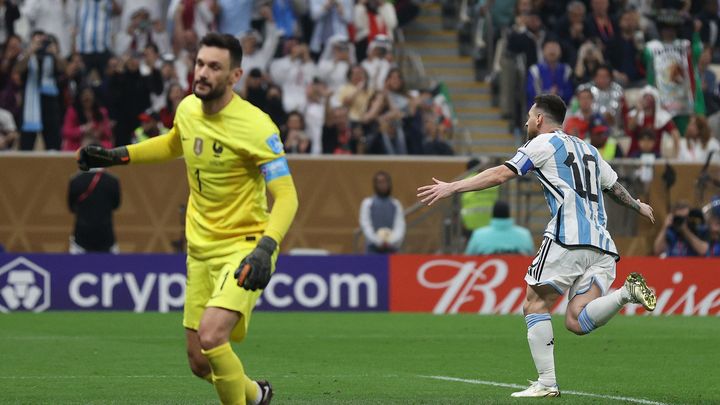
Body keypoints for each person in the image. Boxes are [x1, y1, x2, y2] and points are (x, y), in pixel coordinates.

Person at [76, 33, 299, 405]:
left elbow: (288, 196)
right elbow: (171, 143)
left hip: (244, 248)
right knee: (199, 361)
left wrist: (266, 247)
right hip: (199, 249)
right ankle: (257, 396)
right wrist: (117, 156)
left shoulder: (257, 127)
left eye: (214, 67)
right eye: (200, 63)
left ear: (235, 76)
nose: (203, 73)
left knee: (213, 336)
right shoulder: (187, 108)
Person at [418, 94, 657, 398]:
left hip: (567, 238)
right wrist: (638, 205)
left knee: (534, 302)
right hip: (602, 245)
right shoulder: (590, 150)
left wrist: (453, 186)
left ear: (540, 119)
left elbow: (502, 173)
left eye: (530, 116)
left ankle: (546, 382)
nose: (527, 121)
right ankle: (626, 293)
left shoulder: (541, 144)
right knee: (576, 320)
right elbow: (614, 187)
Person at [68, 167, 121, 254]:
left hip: (82, 236)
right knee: (110, 267)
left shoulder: (76, 181)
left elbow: (71, 207)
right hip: (106, 235)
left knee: (78, 267)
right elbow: (116, 205)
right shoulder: (112, 181)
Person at [465, 201, 534, 255]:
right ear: (509, 213)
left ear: (493, 214)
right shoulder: (524, 234)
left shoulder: (478, 234)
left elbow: (468, 258)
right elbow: (532, 259)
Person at [359, 171, 405, 253]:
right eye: (380, 182)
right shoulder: (367, 203)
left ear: (389, 184)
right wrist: (378, 241)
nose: (383, 185)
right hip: (372, 250)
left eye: (385, 182)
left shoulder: (395, 204)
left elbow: (400, 226)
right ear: (375, 185)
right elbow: (366, 225)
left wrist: (390, 241)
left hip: (392, 249)